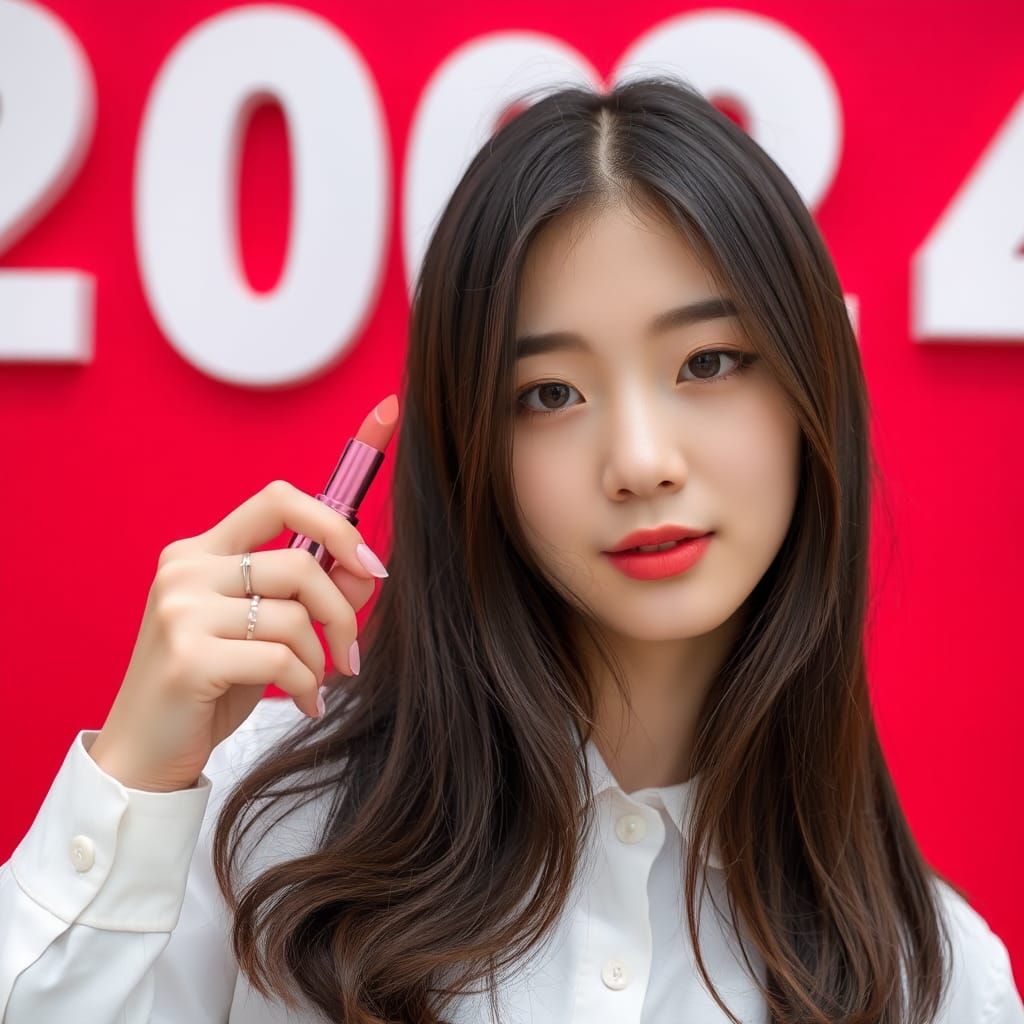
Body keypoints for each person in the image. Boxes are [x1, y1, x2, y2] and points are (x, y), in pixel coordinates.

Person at [1, 74, 1021, 1024]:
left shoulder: (930, 973)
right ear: (470, 449)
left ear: (810, 398)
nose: (639, 460)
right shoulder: (262, 827)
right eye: (550, 394)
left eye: (707, 362)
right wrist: (135, 776)